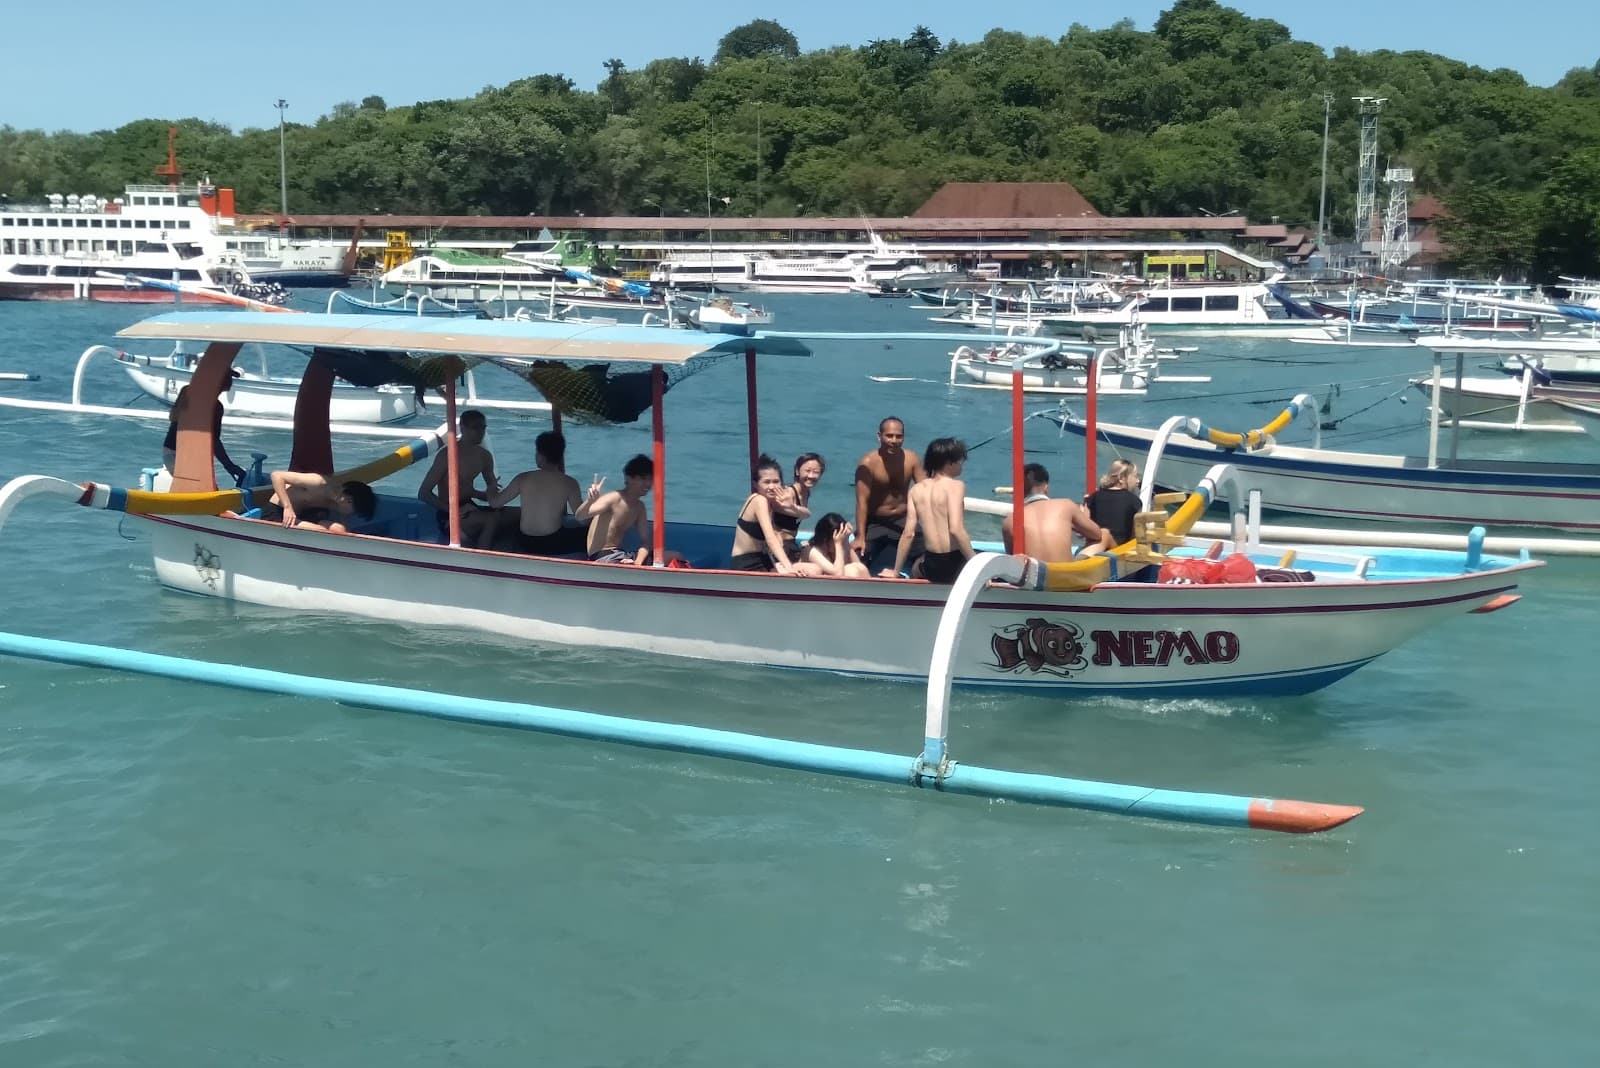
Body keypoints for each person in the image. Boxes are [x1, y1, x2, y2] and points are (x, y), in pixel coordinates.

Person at [886, 437, 972, 585]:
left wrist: (895, 571)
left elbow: (908, 534)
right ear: (949, 462)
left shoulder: (916, 490)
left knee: (917, 566)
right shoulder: (956, 486)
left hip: (931, 566)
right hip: (955, 565)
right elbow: (956, 529)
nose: (961, 465)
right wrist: (975, 563)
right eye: (960, 461)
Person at [489, 430, 587, 556]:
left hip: (525, 541)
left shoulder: (523, 478)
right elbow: (582, 520)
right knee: (585, 532)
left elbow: (495, 503)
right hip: (551, 542)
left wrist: (490, 489)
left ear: (541, 455)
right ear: (561, 455)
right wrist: (592, 503)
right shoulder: (570, 483)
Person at [417, 409, 500, 548]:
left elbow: (493, 498)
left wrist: (480, 493)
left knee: (515, 514)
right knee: (491, 520)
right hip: (448, 513)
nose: (481, 432)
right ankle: (481, 560)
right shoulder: (447, 456)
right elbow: (423, 493)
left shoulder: (484, 456)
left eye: (483, 427)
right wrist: (452, 511)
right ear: (463, 428)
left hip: (470, 507)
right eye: (475, 428)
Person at [854, 417, 924, 574]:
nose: (894, 440)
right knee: (859, 556)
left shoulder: (911, 459)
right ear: (879, 436)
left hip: (903, 520)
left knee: (933, 551)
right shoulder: (867, 463)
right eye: (889, 436)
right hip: (875, 522)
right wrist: (860, 536)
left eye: (899, 436)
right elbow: (861, 502)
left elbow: (924, 491)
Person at [1001, 463, 1113, 561]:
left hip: (1035, 581)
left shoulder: (1009, 521)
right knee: (1104, 533)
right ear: (1046, 488)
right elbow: (1096, 535)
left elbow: (1014, 560)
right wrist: (1081, 519)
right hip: (1066, 578)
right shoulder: (1066, 504)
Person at [729, 454, 818, 575]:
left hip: (763, 559)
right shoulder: (759, 500)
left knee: (813, 570)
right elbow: (770, 538)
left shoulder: (772, 503)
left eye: (776, 482)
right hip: (747, 563)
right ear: (756, 484)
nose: (771, 487)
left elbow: (805, 514)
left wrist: (791, 506)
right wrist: (789, 568)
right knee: (809, 571)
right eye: (766, 482)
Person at [575, 454, 653, 565]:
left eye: (650, 479)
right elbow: (580, 516)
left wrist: (638, 562)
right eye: (643, 479)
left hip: (622, 555)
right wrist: (590, 501)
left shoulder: (640, 507)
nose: (648, 484)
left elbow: (645, 542)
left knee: (673, 556)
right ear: (629, 478)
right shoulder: (613, 498)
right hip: (602, 556)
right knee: (624, 564)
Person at [163, 383, 245, 485]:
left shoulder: (192, 393)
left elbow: (213, 441)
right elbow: (214, 441)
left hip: (177, 452)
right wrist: (229, 466)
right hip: (176, 453)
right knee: (199, 488)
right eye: (227, 375)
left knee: (203, 487)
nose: (231, 380)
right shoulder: (214, 406)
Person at [266, 470, 376, 533]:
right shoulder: (319, 483)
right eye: (354, 511)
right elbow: (276, 475)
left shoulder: (338, 502)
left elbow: (343, 521)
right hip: (279, 512)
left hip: (302, 513)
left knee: (339, 529)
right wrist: (287, 507)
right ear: (349, 501)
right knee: (321, 531)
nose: (351, 514)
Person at [1085, 459, 1143, 545]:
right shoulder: (1135, 501)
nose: (1138, 480)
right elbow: (1135, 533)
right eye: (1135, 476)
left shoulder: (1093, 497)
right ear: (1121, 478)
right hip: (1118, 548)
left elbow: (1085, 527)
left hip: (1093, 544)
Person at [805, 513, 870, 578]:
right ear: (825, 539)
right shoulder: (812, 551)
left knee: (858, 568)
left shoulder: (833, 550)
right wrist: (838, 544)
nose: (842, 544)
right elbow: (838, 574)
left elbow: (858, 565)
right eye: (840, 539)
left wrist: (846, 540)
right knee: (850, 571)